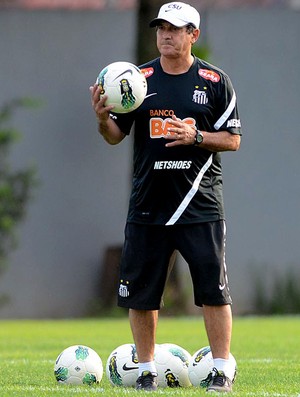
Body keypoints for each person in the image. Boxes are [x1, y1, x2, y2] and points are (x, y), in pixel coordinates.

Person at [90, 1, 242, 393]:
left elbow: (233, 139)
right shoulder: (136, 80)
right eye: (161, 28)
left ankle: (221, 369)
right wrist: (103, 118)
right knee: (142, 295)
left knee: (213, 289)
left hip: (199, 203)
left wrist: (196, 136)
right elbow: (114, 137)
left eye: (175, 29)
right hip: (148, 204)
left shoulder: (214, 81)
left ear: (194, 34)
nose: (165, 35)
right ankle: (145, 370)